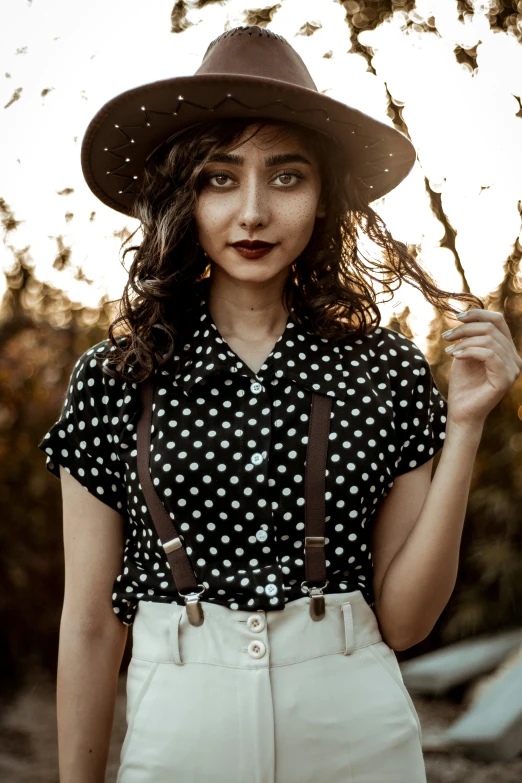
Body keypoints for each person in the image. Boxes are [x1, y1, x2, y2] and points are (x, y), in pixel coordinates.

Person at [38, 24, 521, 783]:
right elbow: (93, 624)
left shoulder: (387, 371)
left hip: (355, 726)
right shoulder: (113, 378)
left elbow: (405, 619)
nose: (254, 212)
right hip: (178, 730)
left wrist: (466, 425)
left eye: (287, 176)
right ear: (182, 193)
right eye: (220, 178)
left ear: (324, 193)